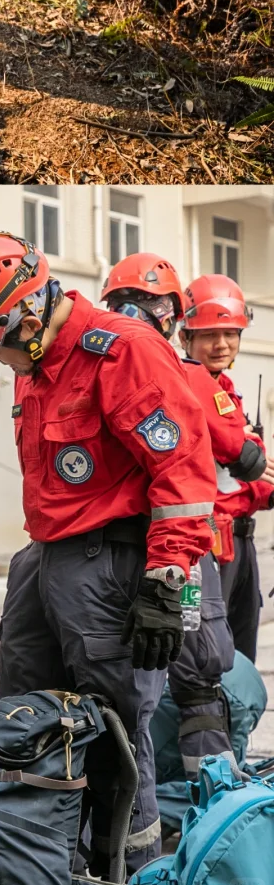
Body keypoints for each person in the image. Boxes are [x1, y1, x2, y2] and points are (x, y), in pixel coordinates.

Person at [0, 231, 217, 875]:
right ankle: (43, 878)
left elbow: (184, 471)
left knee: (113, 742)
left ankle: (128, 881)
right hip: (46, 563)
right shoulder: (37, 363)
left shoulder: (122, 353)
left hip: (111, 565)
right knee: (25, 729)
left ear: (26, 319)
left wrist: (167, 577)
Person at [101, 253, 237, 781]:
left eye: (151, 303)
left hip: (180, 548)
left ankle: (211, 808)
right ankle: (190, 805)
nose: (139, 313)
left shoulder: (179, 375)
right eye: (127, 302)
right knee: (149, 690)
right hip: (149, 549)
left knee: (199, 676)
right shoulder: (120, 368)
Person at [179, 273, 274, 662]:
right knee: (206, 658)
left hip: (241, 542)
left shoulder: (227, 391)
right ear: (187, 338)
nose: (221, 344)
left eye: (230, 333)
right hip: (207, 544)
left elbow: (254, 475)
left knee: (241, 655)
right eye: (209, 335)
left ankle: (235, 723)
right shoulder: (184, 389)